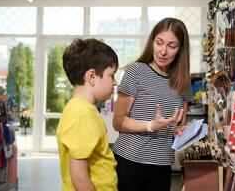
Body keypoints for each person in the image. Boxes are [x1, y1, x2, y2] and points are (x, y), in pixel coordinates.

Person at [112, 17, 191, 191]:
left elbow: (178, 124)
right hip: (130, 162)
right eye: (159, 43)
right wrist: (151, 126)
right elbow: (118, 122)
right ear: (152, 42)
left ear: (180, 50)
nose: (163, 51)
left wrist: (179, 131)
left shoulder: (183, 80)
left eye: (172, 46)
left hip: (162, 165)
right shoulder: (136, 71)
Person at [56, 38, 119, 191]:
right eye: (111, 75)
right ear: (92, 76)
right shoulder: (81, 114)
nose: (115, 82)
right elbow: (79, 177)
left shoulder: (84, 110)